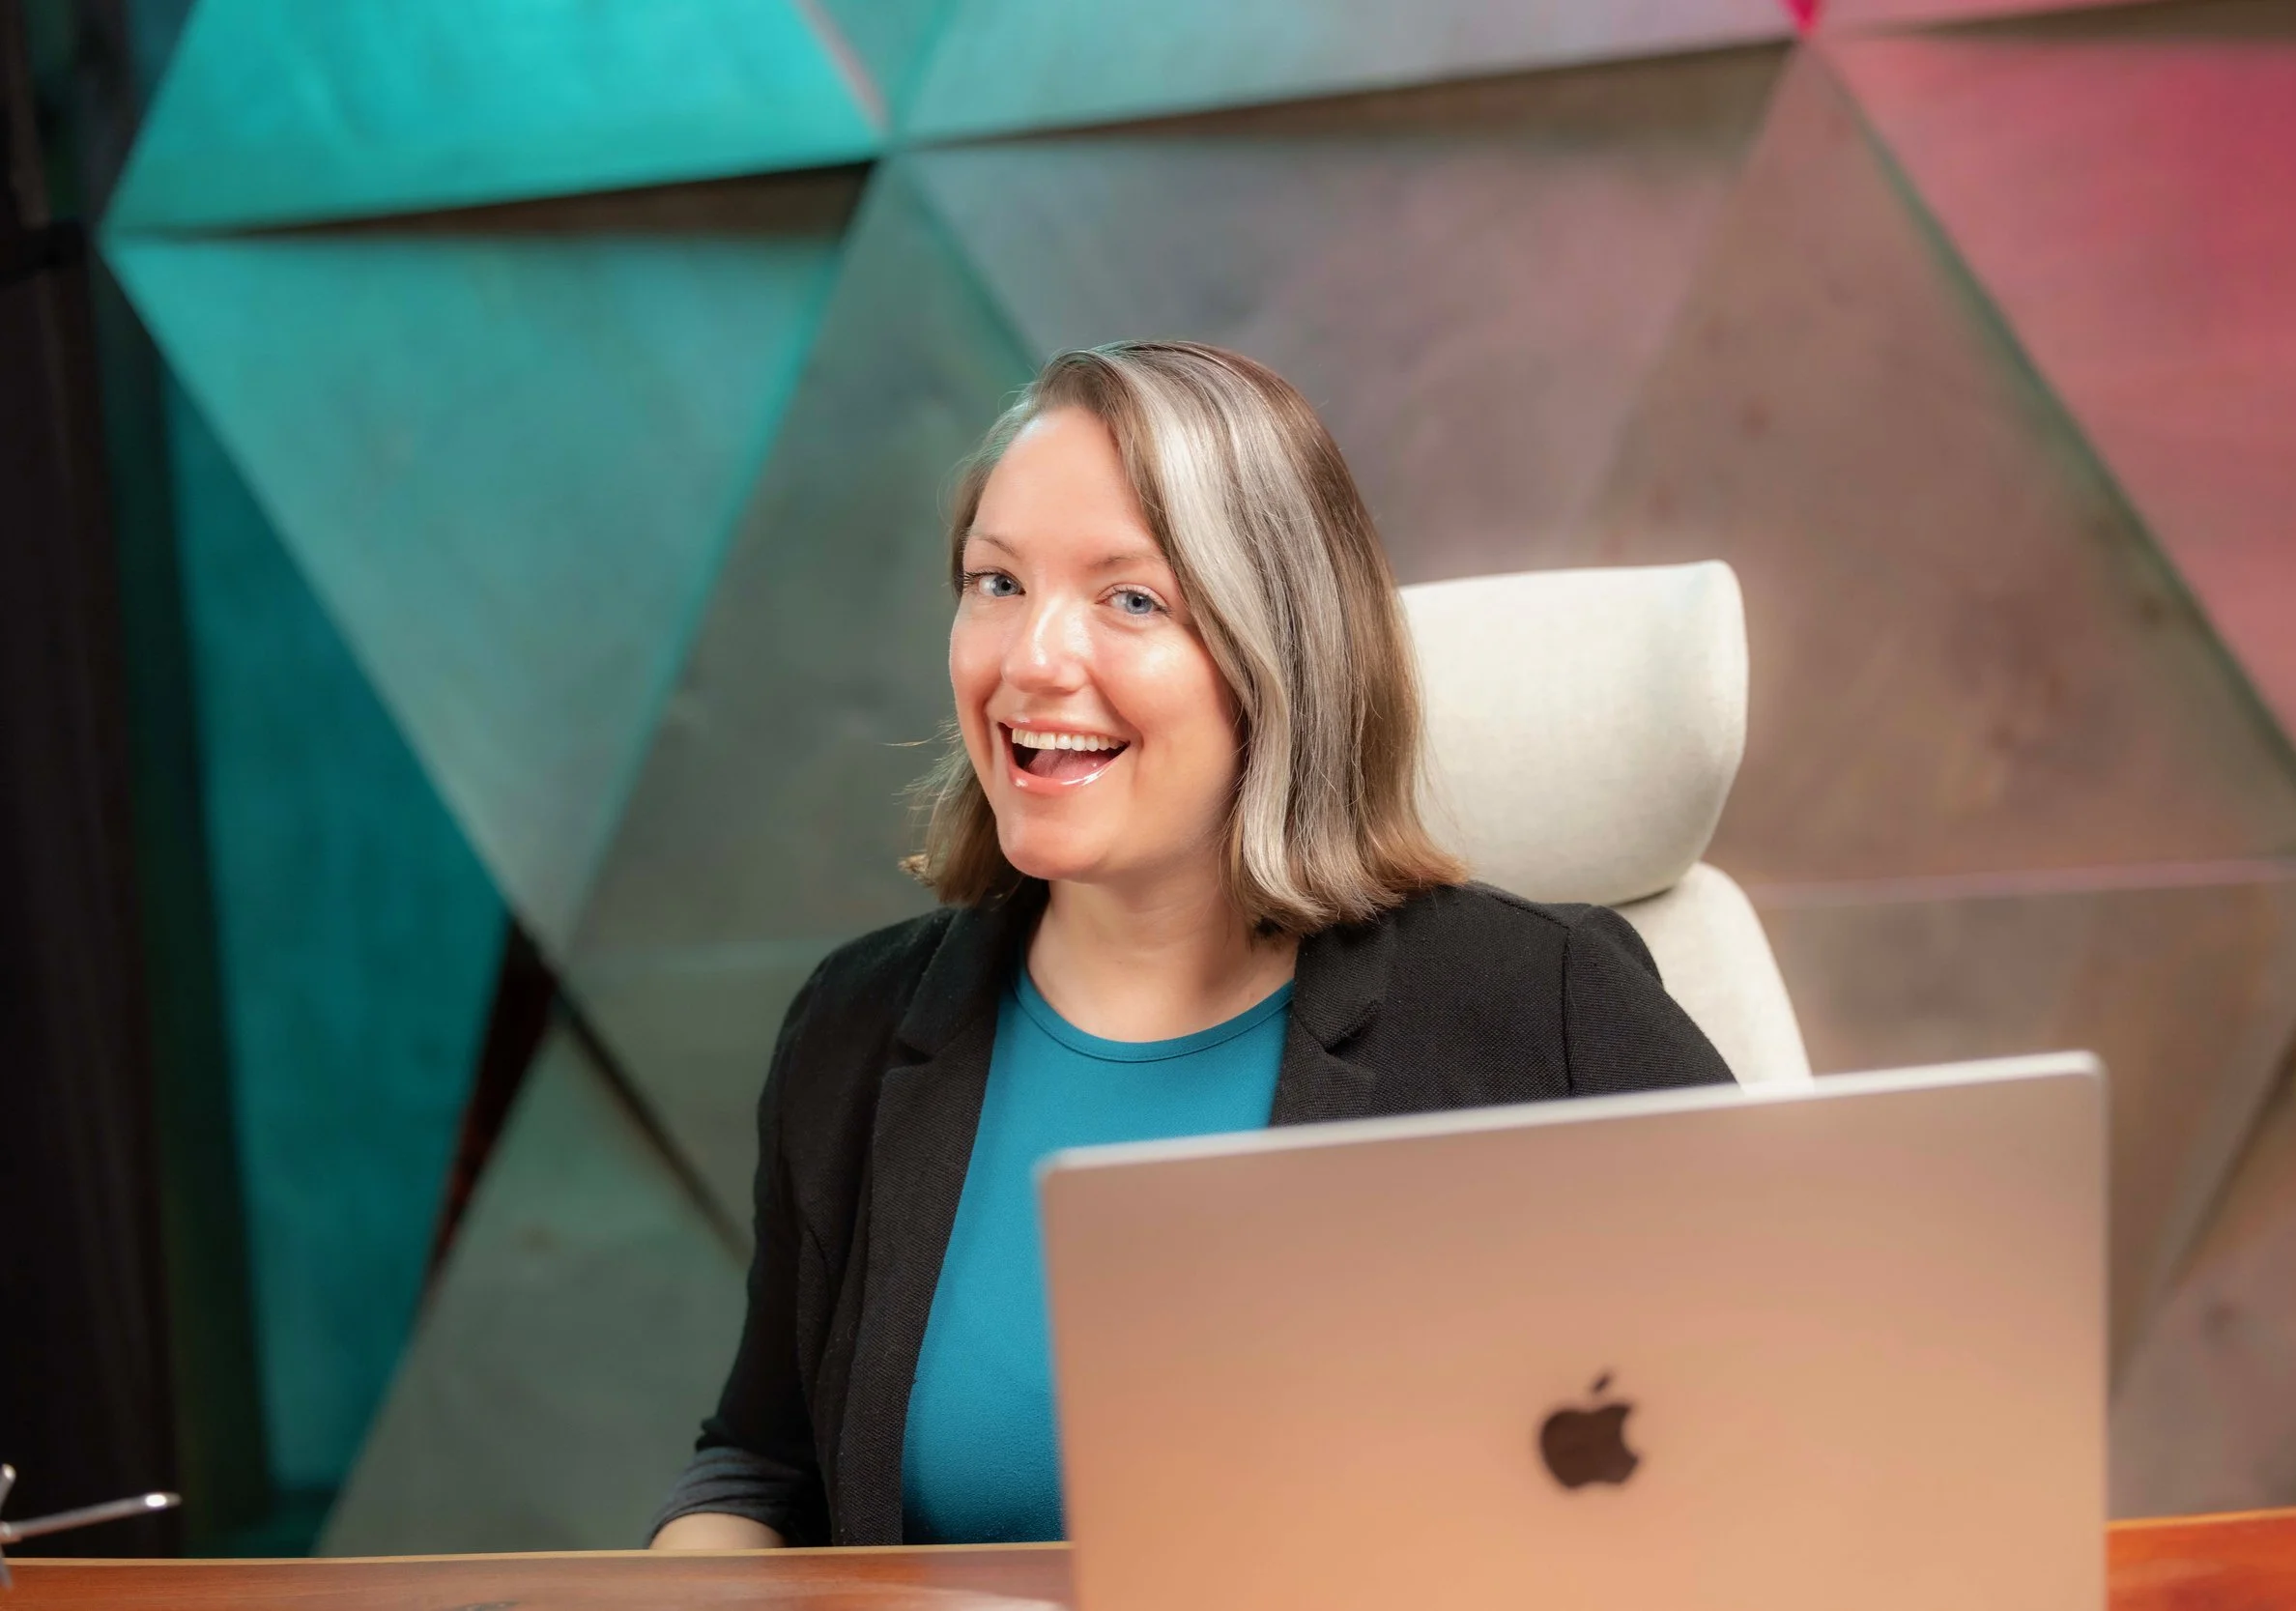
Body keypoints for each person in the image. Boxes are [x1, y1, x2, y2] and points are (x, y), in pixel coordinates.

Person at [648, 341, 1733, 1551]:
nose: (1030, 659)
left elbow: (1800, 1428)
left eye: (1132, 599)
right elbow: (764, 1468)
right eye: (995, 581)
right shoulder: (854, 1024)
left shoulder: (1546, 1009)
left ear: (1279, 658)